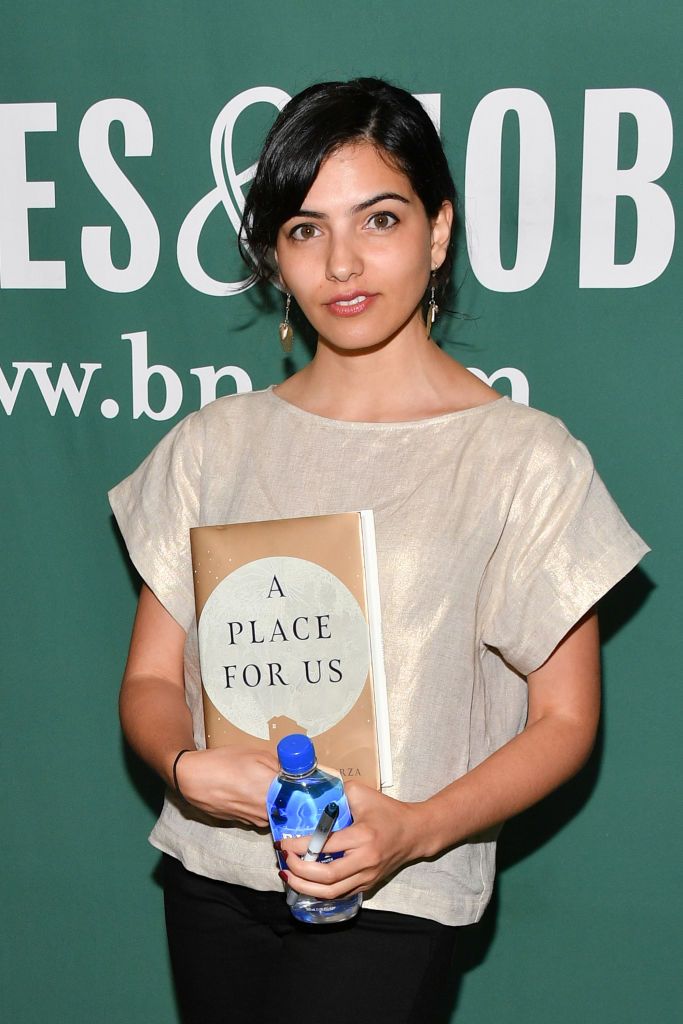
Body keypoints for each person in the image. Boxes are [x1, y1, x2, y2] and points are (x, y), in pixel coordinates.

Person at [109, 78, 648, 1024]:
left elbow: (564, 720)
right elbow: (153, 682)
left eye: (380, 218)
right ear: (275, 255)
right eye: (306, 229)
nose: (343, 262)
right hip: (212, 872)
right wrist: (187, 770)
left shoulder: (521, 456)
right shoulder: (214, 442)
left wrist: (417, 829)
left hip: (399, 892)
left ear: (438, 232)